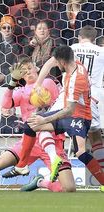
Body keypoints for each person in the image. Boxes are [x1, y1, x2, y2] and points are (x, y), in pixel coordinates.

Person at [0, 56, 76, 192]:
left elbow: (55, 101)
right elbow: (5, 105)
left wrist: (42, 99)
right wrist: (12, 82)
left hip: (52, 141)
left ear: (37, 68)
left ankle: (40, 182)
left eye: (30, 69)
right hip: (29, 142)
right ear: (21, 76)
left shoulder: (48, 82)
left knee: (69, 188)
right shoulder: (21, 92)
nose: (28, 72)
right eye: (24, 71)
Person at [8, 46, 104, 191]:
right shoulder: (75, 64)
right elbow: (48, 64)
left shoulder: (76, 80)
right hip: (70, 114)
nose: (57, 66)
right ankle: (22, 165)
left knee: (81, 153)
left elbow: (69, 110)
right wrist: (38, 85)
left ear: (63, 62)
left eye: (58, 63)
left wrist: (45, 120)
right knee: (30, 125)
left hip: (79, 118)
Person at [71, 25, 104, 171]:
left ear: (79, 36)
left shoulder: (72, 48)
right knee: (95, 135)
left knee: (71, 133)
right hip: (91, 98)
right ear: (95, 39)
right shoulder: (101, 51)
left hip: (72, 96)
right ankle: (101, 172)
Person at [0, 15, 22, 86]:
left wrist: (4, 76)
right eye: (4, 27)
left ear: (13, 30)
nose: (6, 30)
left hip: (8, 76)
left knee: (11, 79)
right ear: (0, 30)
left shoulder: (17, 46)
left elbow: (15, 65)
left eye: (9, 28)